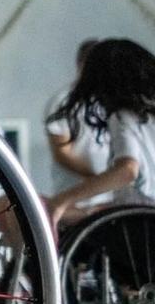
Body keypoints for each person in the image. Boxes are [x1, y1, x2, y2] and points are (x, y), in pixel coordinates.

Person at [42, 38, 155, 224]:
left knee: (39, 213)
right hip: (141, 213)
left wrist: (64, 199)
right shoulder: (148, 112)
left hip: (138, 223)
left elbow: (127, 171)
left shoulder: (123, 116)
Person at [47, 39, 105, 182]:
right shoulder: (63, 101)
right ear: (81, 64)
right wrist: (100, 178)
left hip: (112, 193)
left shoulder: (111, 101)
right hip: (77, 194)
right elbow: (62, 152)